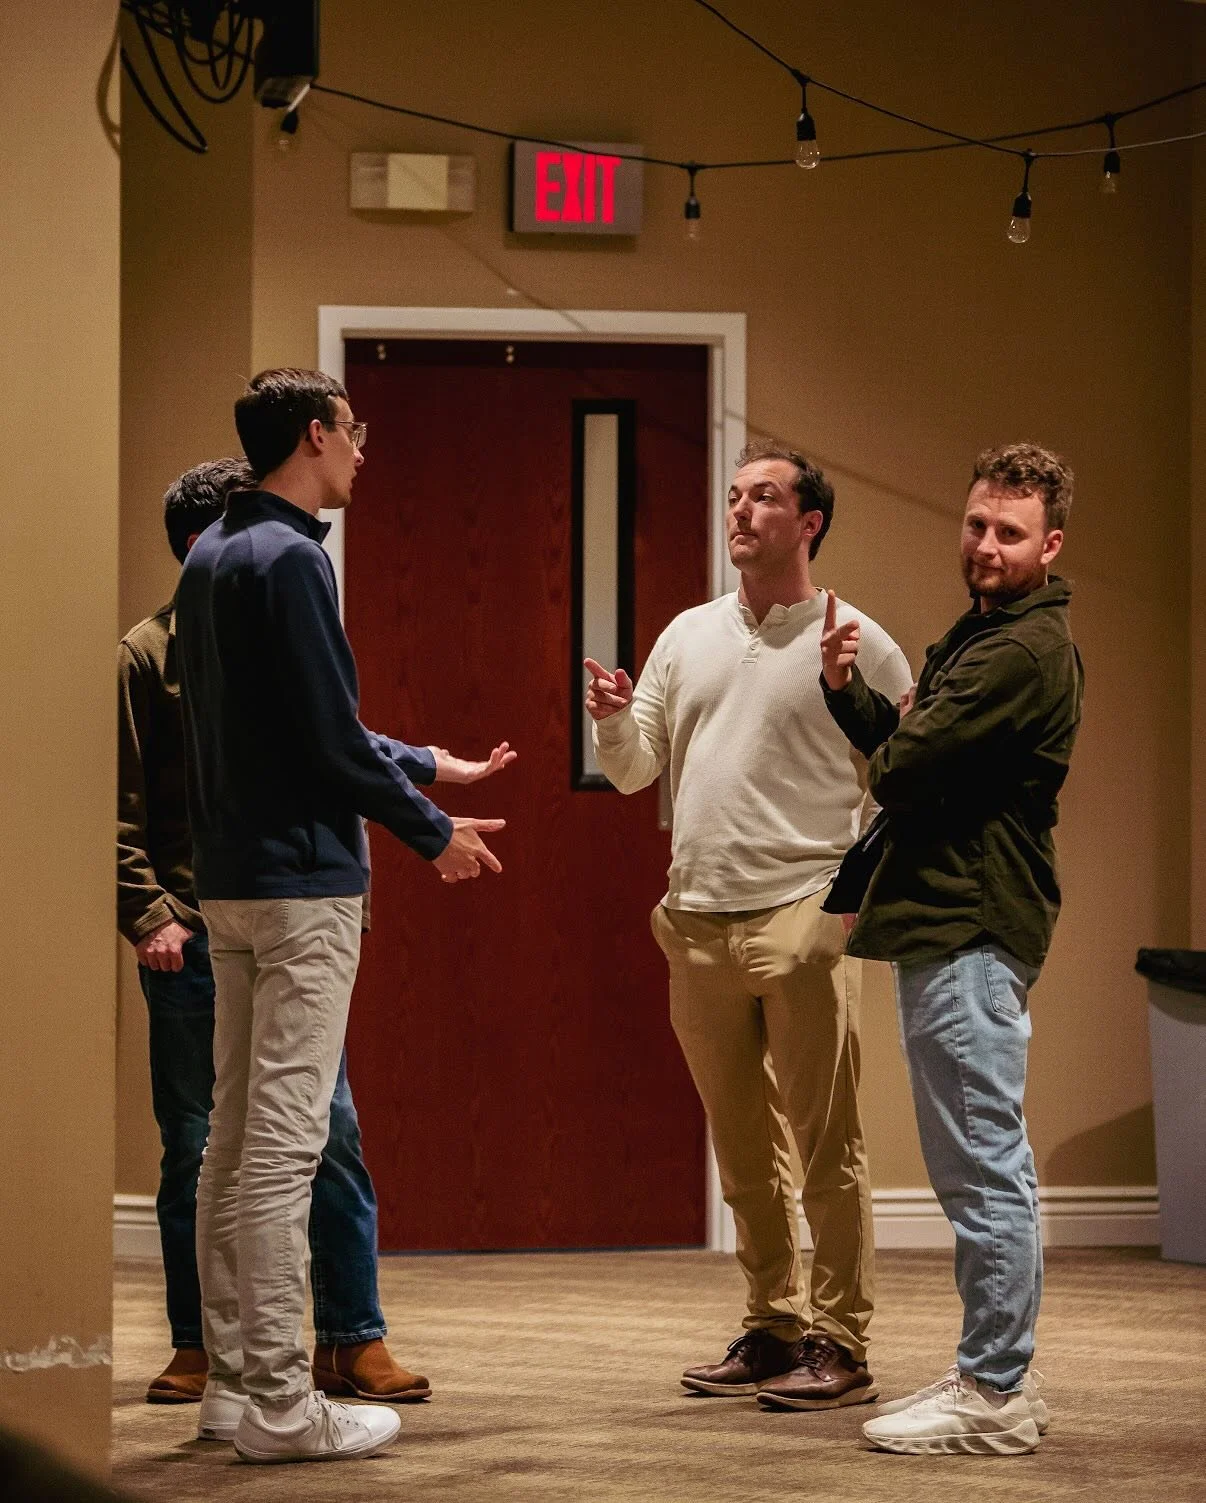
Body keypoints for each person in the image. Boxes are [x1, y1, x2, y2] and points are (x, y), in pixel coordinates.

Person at [118, 458, 514, 1413]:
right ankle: (237, 1367)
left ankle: (338, 1340)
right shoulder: (179, 632)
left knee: (313, 1134)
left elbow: (326, 732)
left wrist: (426, 764)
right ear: (205, 547)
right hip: (220, 917)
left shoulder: (254, 606)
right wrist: (147, 910)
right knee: (220, 1144)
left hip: (259, 905)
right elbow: (125, 795)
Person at [585, 441, 912, 1411]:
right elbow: (633, 770)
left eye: (763, 497)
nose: (740, 511)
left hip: (803, 915)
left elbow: (901, 781)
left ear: (809, 522)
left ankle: (841, 1341)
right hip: (696, 921)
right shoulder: (689, 634)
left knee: (826, 1147)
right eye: (734, 496)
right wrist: (612, 717)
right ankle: (773, 1326)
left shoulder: (858, 640)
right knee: (743, 1149)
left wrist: (848, 906)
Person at [820, 442, 1082, 1456]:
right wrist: (852, 694)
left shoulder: (1020, 653)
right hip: (949, 921)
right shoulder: (987, 635)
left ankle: (994, 1393)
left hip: (972, 923)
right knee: (978, 1160)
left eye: (1010, 532)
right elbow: (910, 753)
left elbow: (903, 770)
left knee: (981, 1166)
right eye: (977, 524)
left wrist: (904, 737)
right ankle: (995, 1373)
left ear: (1050, 545)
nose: (986, 545)